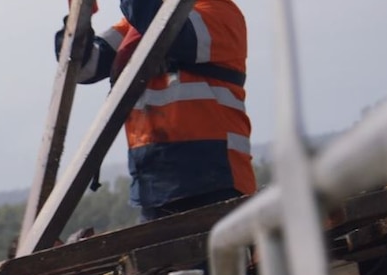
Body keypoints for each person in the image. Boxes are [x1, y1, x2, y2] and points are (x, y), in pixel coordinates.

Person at [57, 0, 257, 221]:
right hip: (155, 183)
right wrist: (78, 22)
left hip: (216, 176)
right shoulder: (137, 27)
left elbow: (168, 32)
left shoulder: (219, 11)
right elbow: (86, 66)